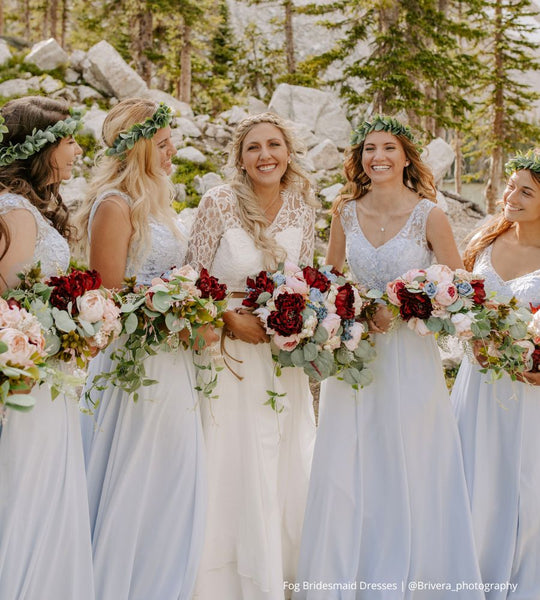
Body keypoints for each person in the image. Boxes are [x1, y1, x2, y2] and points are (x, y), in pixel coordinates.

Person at [294, 116, 484, 599]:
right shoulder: (345, 212)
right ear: (359, 159)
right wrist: (348, 306)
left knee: (411, 452)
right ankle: (347, 571)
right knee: (350, 455)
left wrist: (404, 305)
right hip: (355, 352)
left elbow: (459, 287)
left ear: (405, 158)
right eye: (368, 149)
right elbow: (330, 280)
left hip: (409, 356)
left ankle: (418, 576)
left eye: (388, 148)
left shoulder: (430, 215)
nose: (377, 156)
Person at [77, 98, 215, 600]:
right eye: (162, 143)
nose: (172, 150)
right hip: (137, 367)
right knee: (138, 473)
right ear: (137, 149)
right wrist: (176, 316)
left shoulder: (158, 202)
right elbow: (109, 298)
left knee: (172, 476)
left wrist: (191, 309)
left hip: (172, 361)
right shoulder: (113, 205)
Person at [187, 112, 318, 600]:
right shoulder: (218, 203)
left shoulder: (303, 208)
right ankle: (219, 582)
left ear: (288, 153)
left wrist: (299, 321)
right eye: (254, 148)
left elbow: (305, 280)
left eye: (274, 145)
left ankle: (276, 575)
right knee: (230, 457)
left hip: (280, 355)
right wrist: (226, 317)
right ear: (239, 158)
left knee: (278, 452)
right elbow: (192, 280)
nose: (266, 155)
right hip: (227, 356)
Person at [0, 96, 94, 599]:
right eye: (70, 139)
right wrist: (74, 323)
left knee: (44, 485)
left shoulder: (31, 205)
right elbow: (12, 306)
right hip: (29, 375)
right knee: (29, 488)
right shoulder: (14, 211)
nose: (78, 149)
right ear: (41, 146)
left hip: (50, 371)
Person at [451, 152, 540, 599]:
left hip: (526, 390)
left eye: (527, 191)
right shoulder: (484, 239)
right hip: (475, 381)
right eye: (510, 185)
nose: (511, 196)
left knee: (519, 480)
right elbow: (457, 303)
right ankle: (463, 569)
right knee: (467, 471)